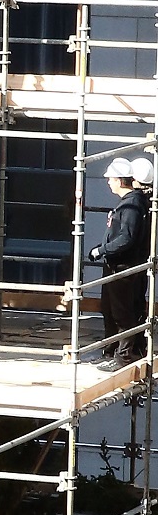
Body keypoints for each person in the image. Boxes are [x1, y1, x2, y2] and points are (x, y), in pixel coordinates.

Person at [89, 156, 151, 367]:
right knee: (111, 309)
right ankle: (112, 352)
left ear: (120, 180)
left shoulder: (132, 206)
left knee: (122, 313)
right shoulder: (129, 203)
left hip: (123, 267)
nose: (108, 182)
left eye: (111, 178)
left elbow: (126, 238)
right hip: (117, 265)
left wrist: (101, 250)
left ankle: (123, 355)